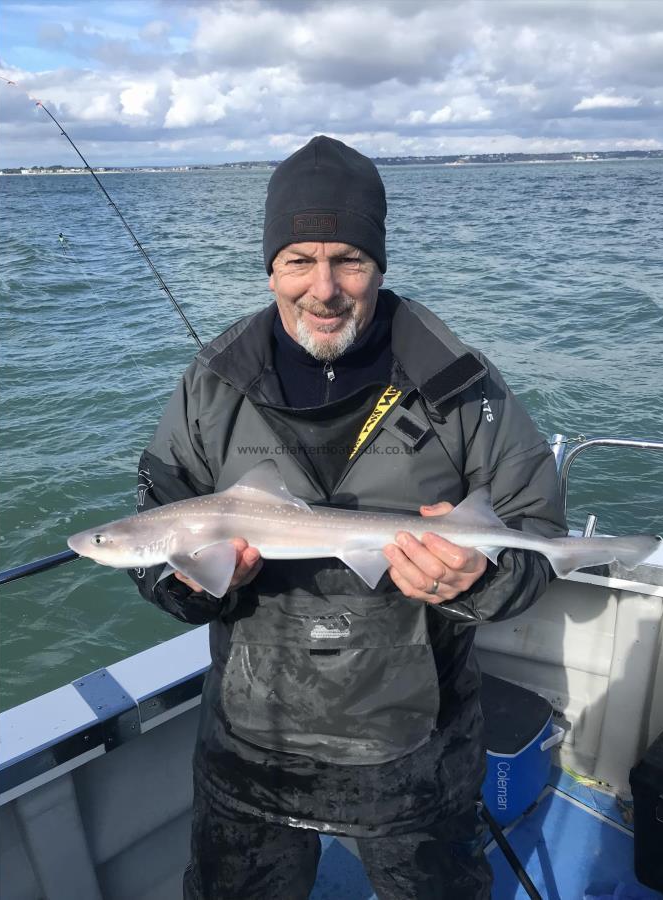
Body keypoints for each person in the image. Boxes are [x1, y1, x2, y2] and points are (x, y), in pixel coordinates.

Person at [131, 135, 566, 899]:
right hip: (250, 743)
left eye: (348, 260)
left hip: (416, 751)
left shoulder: (460, 384)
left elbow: (536, 539)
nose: (323, 288)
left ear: (379, 263)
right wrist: (192, 585)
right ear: (269, 265)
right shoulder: (210, 385)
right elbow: (154, 532)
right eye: (299, 259)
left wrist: (475, 583)